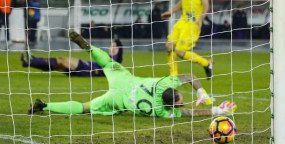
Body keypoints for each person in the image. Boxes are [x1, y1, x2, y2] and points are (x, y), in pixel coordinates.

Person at [28, 31, 237, 118]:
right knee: (85, 108)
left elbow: (190, 77)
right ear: (173, 104)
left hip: (124, 79)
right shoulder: (161, 112)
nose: (183, 102)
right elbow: (191, 113)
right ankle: (45, 106)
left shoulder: (164, 83)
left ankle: (88, 47)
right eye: (182, 100)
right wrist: (216, 110)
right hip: (118, 99)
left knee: (108, 62)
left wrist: (201, 91)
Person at [161, 0, 213, 78]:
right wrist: (171, 12)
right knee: (169, 46)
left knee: (179, 51)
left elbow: (206, 5)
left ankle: (206, 63)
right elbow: (183, 1)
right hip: (183, 21)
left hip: (193, 23)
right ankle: (173, 77)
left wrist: (200, 20)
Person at [21, 39, 123, 77]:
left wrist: (89, 47)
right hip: (86, 67)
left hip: (86, 68)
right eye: (111, 45)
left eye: (114, 46)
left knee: (61, 60)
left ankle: (31, 60)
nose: (112, 48)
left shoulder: (114, 61)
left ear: (119, 49)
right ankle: (30, 62)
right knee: (58, 65)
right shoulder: (109, 57)